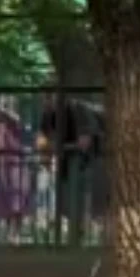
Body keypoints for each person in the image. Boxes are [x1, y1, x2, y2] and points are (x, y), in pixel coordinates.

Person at [35, 93, 108, 240]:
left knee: (87, 196)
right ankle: (76, 232)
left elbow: (84, 142)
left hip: (93, 160)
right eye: (43, 99)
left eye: (48, 98)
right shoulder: (48, 115)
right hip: (68, 163)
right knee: (69, 198)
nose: (45, 102)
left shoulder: (78, 110)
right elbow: (43, 140)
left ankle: (86, 231)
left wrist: (59, 147)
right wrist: (47, 153)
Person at [0, 95, 33, 241]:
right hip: (3, 165)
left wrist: (5, 110)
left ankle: (16, 233)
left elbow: (21, 125)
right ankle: (9, 233)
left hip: (16, 164)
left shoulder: (15, 122)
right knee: (5, 199)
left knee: (17, 197)